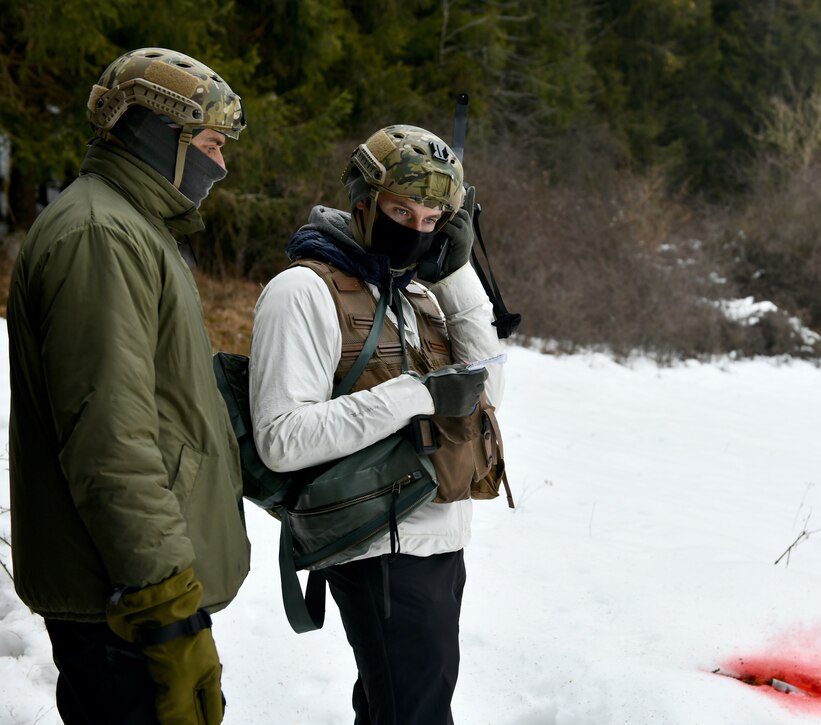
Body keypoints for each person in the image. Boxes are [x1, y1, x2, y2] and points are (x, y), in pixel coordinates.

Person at [6, 48, 251, 725]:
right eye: (208, 144)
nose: (220, 164)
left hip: (130, 591)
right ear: (154, 134)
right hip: (125, 602)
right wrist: (167, 608)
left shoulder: (130, 228)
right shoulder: (99, 237)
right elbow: (110, 441)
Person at [248, 124, 506, 724]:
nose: (416, 229)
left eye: (432, 219)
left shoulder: (416, 291)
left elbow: (488, 388)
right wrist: (412, 395)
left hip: (438, 539)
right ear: (363, 202)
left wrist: (455, 271)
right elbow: (281, 439)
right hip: (377, 547)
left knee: (401, 709)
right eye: (401, 210)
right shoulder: (302, 292)